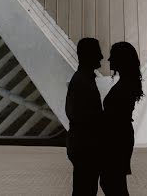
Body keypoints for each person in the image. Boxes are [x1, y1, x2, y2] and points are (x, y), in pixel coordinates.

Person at [100, 42, 143, 196]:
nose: (109, 60)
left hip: (117, 138)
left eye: (113, 56)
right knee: (114, 182)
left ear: (122, 60)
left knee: (111, 182)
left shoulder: (125, 84)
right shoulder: (128, 82)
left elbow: (115, 115)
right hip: (120, 136)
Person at [65, 38, 104, 196]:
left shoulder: (82, 79)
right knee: (85, 189)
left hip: (82, 145)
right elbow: (79, 114)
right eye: (97, 53)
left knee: (84, 188)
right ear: (89, 55)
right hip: (85, 146)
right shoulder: (82, 81)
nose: (101, 57)